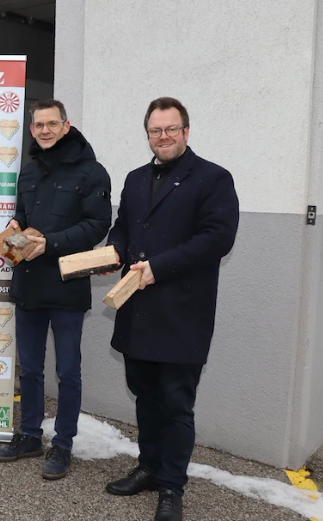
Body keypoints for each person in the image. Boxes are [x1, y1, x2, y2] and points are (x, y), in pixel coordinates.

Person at [104, 97, 239, 521]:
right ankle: (149, 467)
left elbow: (217, 238)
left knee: (177, 405)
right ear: (147, 134)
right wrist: (112, 252)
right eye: (155, 130)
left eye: (170, 129)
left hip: (182, 314)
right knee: (145, 396)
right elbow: (124, 228)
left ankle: (171, 487)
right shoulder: (135, 178)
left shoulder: (213, 178)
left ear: (186, 131)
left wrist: (158, 268)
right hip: (137, 309)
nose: (163, 137)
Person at [0, 99, 111, 480]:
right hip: (28, 284)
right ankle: (30, 435)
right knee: (29, 368)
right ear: (32, 130)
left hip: (66, 286)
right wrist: (14, 227)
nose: (45, 130)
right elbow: (24, 217)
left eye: (52, 124)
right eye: (39, 125)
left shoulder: (92, 172)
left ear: (65, 126)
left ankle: (63, 444)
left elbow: (98, 225)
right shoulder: (28, 172)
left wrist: (52, 244)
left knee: (68, 371)